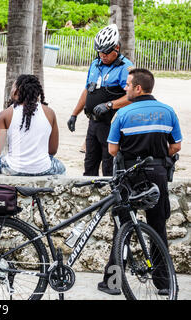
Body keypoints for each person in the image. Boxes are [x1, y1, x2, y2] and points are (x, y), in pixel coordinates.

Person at [101, 68, 182, 295]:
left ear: (138, 88)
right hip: (157, 173)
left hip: (129, 174)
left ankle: (114, 283)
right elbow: (176, 146)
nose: (125, 88)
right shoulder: (167, 111)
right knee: (157, 227)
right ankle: (164, 284)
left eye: (128, 84)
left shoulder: (123, 115)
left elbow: (112, 149)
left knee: (123, 228)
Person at [67, 24, 133, 176]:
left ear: (116, 47)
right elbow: (87, 90)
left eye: (106, 52)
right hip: (94, 123)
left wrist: (110, 105)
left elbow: (132, 97)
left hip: (111, 124)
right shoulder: (95, 64)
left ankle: (111, 196)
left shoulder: (126, 68)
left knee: (109, 164)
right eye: (99, 51)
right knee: (90, 162)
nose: (102, 55)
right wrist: (74, 114)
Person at [0, 74, 65, 176]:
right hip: (43, 169)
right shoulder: (50, 113)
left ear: (16, 92)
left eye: (13, 87)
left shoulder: (5, 115)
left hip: (13, 169)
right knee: (61, 168)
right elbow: (52, 150)